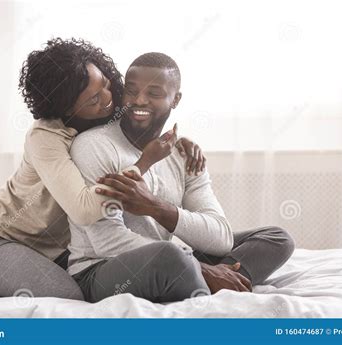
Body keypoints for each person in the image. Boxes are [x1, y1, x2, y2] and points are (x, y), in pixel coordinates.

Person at [0, 39, 205, 301]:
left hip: (57, 249)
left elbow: (147, 119)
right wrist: (144, 163)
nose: (109, 99)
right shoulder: (45, 137)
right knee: (68, 299)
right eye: (94, 98)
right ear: (68, 107)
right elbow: (84, 209)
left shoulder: (106, 110)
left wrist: (179, 143)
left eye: (107, 85)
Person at [68, 52, 295, 303]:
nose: (139, 100)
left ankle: (214, 281)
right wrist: (202, 268)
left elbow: (220, 238)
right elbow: (106, 242)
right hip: (99, 270)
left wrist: (155, 207)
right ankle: (207, 279)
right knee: (173, 259)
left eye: (154, 94)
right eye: (131, 91)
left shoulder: (184, 155)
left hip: (166, 260)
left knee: (277, 239)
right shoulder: (93, 146)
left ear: (175, 99)